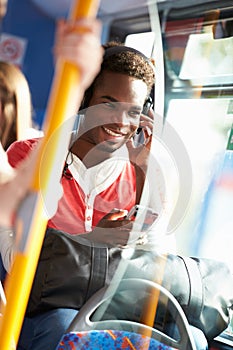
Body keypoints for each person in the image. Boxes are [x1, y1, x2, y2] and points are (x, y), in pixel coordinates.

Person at [6, 40, 209, 350]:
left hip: (115, 309)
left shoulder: (145, 171)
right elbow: (13, 259)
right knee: (66, 327)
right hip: (37, 311)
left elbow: (159, 265)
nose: (120, 121)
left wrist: (143, 176)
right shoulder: (27, 156)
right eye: (108, 103)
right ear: (83, 100)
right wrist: (94, 239)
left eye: (133, 112)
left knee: (191, 338)